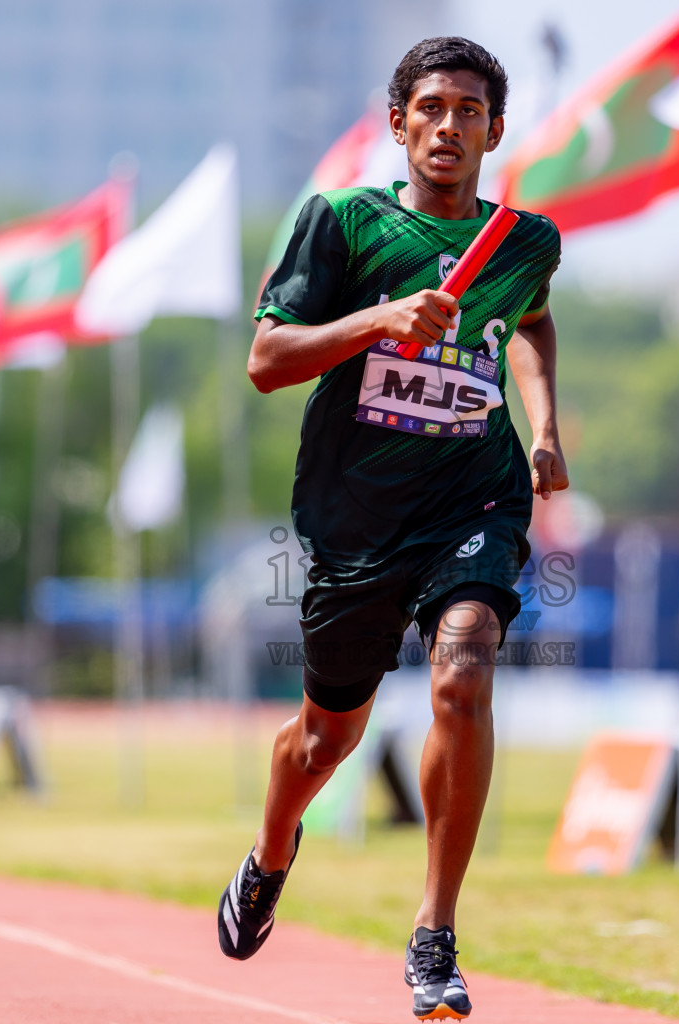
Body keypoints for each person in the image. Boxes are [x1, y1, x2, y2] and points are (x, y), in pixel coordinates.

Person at [217, 36, 567, 1021]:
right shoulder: (342, 225)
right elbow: (267, 358)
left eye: (469, 110)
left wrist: (544, 429)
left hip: (476, 501)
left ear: (494, 131)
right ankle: (271, 849)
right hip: (356, 521)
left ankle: (434, 933)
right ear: (399, 123)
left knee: (464, 670)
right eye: (432, 108)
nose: (449, 125)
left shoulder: (524, 243)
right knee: (324, 741)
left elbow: (531, 321)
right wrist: (377, 322)